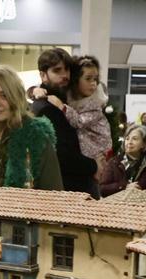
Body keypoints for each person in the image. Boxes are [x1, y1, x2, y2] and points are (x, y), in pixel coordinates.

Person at [31, 49, 98, 196]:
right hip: (69, 189)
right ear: (43, 75)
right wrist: (94, 166)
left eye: (67, 70)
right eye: (57, 70)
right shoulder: (47, 108)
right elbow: (61, 156)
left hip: (75, 186)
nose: (65, 75)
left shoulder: (63, 99)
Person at [32, 55, 111, 175]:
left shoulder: (94, 103)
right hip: (78, 169)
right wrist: (34, 90)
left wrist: (62, 107)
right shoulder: (63, 97)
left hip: (94, 154)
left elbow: (79, 121)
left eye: (95, 79)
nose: (93, 84)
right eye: (88, 78)